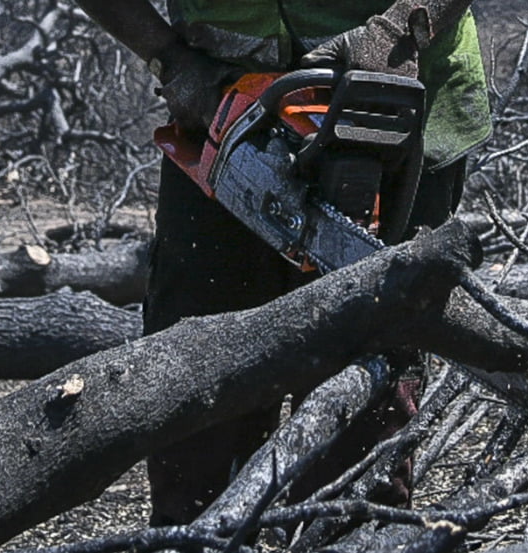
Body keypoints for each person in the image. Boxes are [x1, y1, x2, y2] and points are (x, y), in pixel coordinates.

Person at [74, 0, 492, 527]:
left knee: (366, 381)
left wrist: (401, 27)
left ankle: (349, 530)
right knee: (198, 380)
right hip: (221, 99)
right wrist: (167, 58)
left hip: (395, 92)